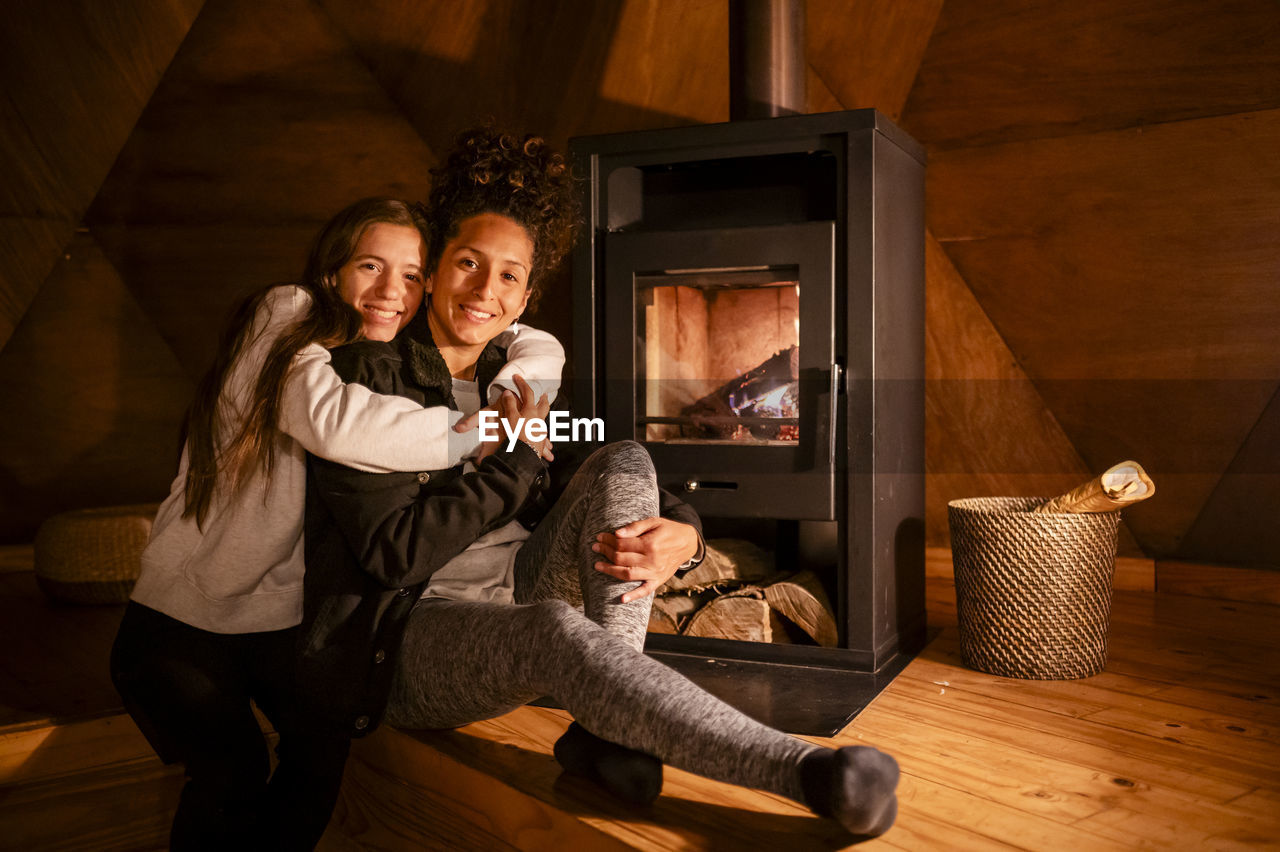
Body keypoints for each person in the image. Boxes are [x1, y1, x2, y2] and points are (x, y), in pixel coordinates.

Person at [300, 128, 901, 840]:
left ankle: (608, 735)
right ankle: (804, 771)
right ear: (433, 271)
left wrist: (688, 532)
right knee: (549, 627)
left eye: (509, 276)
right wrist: (517, 462)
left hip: (518, 583)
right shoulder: (371, 379)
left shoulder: (522, 376)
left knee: (625, 459)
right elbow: (394, 557)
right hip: (406, 640)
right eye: (468, 262)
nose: (484, 290)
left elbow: (597, 456)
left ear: (525, 295)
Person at [109, 197, 564, 851]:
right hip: (182, 628)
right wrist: (497, 431)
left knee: (319, 760)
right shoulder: (285, 319)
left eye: (410, 275)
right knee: (231, 781)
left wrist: (516, 378)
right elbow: (339, 428)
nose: (391, 291)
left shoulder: (364, 362)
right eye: (371, 266)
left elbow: (533, 339)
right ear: (331, 272)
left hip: (271, 630)